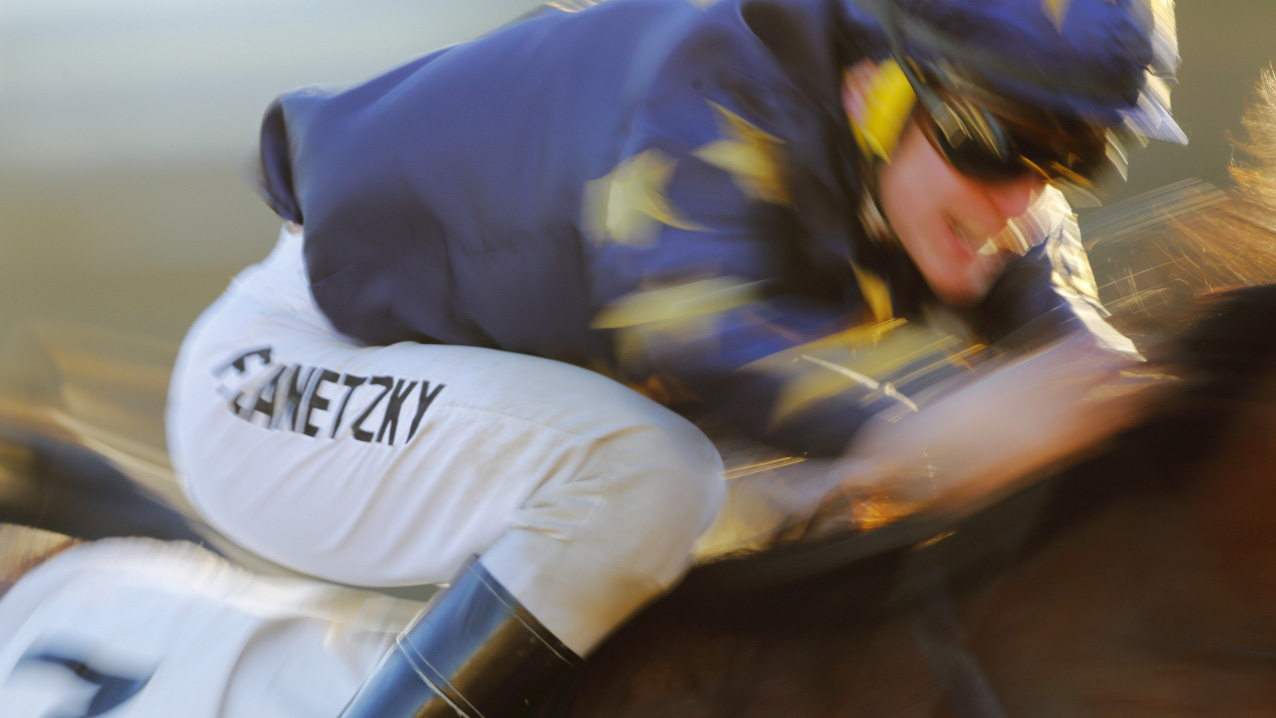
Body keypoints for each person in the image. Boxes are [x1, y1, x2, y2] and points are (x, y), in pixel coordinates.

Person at [165, 0, 1184, 715]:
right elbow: (703, 331)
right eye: (998, 141)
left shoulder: (977, 185)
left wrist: (1138, 404)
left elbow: (1085, 369)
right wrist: (934, 425)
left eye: (1075, 156)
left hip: (493, 400)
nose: (1021, 200)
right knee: (652, 477)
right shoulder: (702, 92)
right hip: (280, 384)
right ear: (873, 87)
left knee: (820, 501)